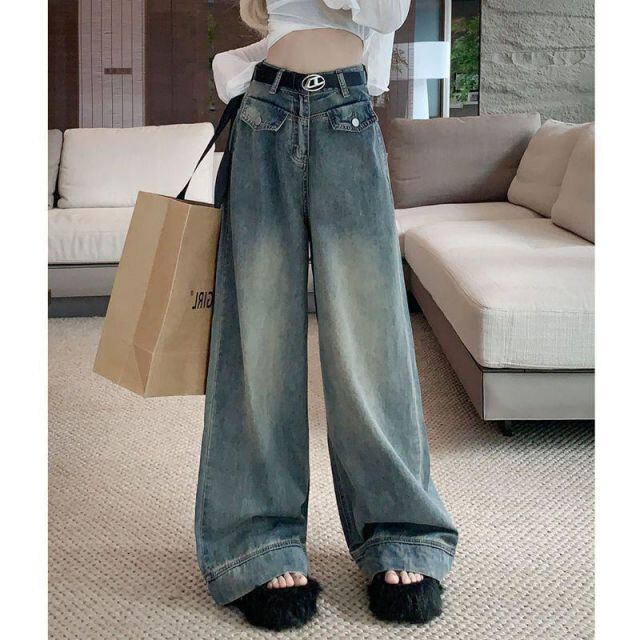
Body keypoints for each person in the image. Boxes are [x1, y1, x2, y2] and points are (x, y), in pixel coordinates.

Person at [195, 0, 458, 630]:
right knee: (258, 343)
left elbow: (388, 13)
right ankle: (258, 541)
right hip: (264, 114)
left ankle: (400, 532)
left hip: (347, 114)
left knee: (371, 340)